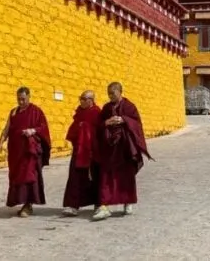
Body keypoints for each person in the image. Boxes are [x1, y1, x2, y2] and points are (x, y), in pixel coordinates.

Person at [93, 82, 152, 221]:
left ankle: (127, 202)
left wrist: (123, 119)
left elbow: (137, 123)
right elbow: (99, 125)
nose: (110, 96)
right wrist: (107, 123)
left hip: (125, 147)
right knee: (106, 176)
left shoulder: (129, 106)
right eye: (108, 93)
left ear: (120, 92)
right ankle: (104, 206)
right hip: (109, 148)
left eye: (112, 93)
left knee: (126, 176)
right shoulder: (106, 108)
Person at [0, 87, 51, 217]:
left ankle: (28, 205)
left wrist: (32, 131)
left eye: (23, 99)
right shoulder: (14, 112)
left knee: (29, 176)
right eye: (19, 99)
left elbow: (43, 128)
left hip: (29, 151)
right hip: (16, 151)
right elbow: (7, 128)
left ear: (29, 97)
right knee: (17, 177)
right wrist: (1, 141)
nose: (21, 102)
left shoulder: (36, 111)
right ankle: (21, 202)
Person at [62, 90, 102, 216]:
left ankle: (98, 204)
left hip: (92, 151)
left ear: (91, 100)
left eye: (84, 99)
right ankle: (73, 205)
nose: (82, 101)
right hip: (79, 150)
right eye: (81, 98)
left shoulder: (97, 113)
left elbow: (100, 131)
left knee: (94, 178)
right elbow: (73, 129)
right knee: (75, 177)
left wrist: (84, 128)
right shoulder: (79, 112)